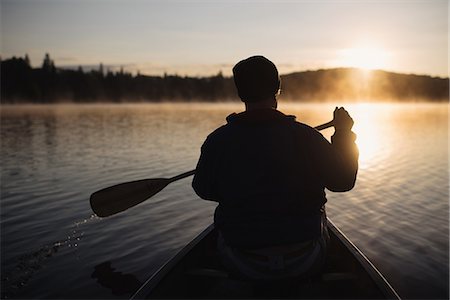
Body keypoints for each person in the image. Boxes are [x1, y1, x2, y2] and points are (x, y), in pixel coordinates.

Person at [192, 55, 358, 282]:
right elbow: (343, 182)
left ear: (240, 93)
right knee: (321, 215)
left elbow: (203, 189)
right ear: (278, 88)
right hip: (305, 258)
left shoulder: (218, 140)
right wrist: (343, 136)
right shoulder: (307, 137)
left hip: (241, 259)